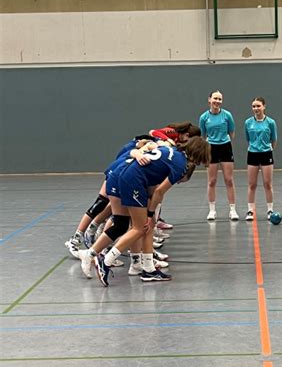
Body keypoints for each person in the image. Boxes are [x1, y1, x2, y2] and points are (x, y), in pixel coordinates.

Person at [84, 137, 211, 286]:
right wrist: (151, 215)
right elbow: (159, 192)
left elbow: (148, 160)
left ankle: (148, 269)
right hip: (133, 181)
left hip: (129, 176)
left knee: (138, 226)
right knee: (139, 227)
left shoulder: (170, 149)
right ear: (199, 154)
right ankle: (105, 261)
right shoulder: (181, 165)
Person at [199, 91, 239, 221]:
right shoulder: (204, 117)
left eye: (220, 99)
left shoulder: (227, 115)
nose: (217, 101)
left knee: (229, 179)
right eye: (215, 98)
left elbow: (232, 132)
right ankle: (212, 210)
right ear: (210, 100)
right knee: (212, 181)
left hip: (225, 147)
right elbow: (203, 136)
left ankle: (232, 210)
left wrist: (224, 141)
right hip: (211, 148)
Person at [244, 98, 278, 221]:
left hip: (266, 153)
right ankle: (250, 210)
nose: (256, 109)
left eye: (258, 106)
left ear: (264, 107)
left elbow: (273, 139)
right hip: (252, 153)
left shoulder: (270, 122)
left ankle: (270, 209)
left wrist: (267, 149)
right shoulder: (248, 122)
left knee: (267, 184)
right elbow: (247, 138)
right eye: (254, 106)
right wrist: (254, 147)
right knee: (252, 184)